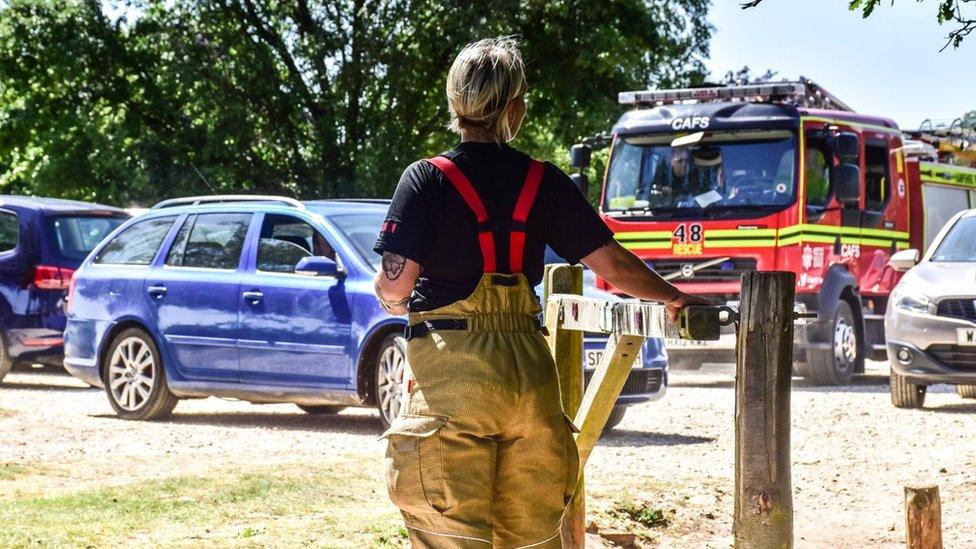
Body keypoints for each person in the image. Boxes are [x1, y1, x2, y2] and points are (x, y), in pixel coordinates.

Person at [373, 37, 707, 548]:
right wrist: (674, 297)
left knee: (450, 534)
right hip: (529, 376)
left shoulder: (425, 180)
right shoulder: (543, 181)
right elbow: (613, 265)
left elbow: (397, 282)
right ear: (514, 107)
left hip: (454, 377)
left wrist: (393, 302)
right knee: (532, 540)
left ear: (456, 100)